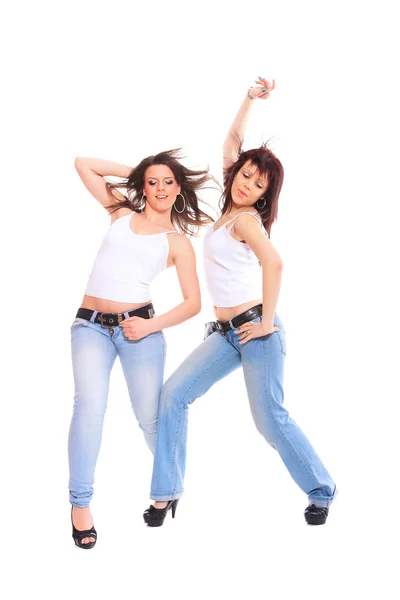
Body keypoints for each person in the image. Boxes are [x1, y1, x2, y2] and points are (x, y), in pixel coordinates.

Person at [143, 78, 336, 528]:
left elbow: (275, 264)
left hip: (257, 332)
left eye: (257, 183)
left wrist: (267, 321)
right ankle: (166, 492)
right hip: (227, 335)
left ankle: (321, 491)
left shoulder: (247, 221)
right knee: (172, 396)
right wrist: (250, 99)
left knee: (269, 418)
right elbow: (232, 141)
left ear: (265, 195)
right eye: (245, 174)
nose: (247, 183)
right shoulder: (229, 207)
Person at [69, 150, 214, 548]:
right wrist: (139, 172)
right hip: (90, 327)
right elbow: (84, 163)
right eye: (152, 182)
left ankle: (170, 487)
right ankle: (80, 504)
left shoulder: (178, 243)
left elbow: (192, 303)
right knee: (89, 410)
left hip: (141, 329)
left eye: (168, 181)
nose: (160, 188)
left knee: (150, 418)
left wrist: (149, 325)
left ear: (178, 187)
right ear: (143, 186)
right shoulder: (120, 212)